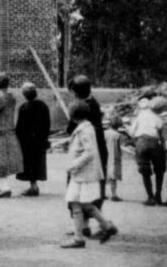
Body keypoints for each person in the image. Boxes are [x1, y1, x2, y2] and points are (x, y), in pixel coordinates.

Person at [60, 102, 118, 248]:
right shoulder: (87, 127)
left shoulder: (83, 130)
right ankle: (106, 226)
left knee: (76, 202)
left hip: (82, 174)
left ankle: (79, 238)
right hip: (83, 174)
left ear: (72, 116)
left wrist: (73, 165)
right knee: (83, 203)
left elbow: (89, 152)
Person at [67, 74, 108, 235]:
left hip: (88, 154)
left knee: (85, 191)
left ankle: (101, 226)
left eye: (73, 91)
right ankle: (83, 226)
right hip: (95, 151)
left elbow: (70, 129)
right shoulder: (91, 103)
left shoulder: (83, 107)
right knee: (82, 191)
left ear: (76, 92)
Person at [128, 97, 167, 206]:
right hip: (155, 143)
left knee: (145, 170)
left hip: (141, 142)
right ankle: (158, 195)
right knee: (160, 169)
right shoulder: (160, 119)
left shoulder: (141, 115)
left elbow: (131, 131)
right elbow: (164, 137)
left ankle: (150, 197)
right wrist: (163, 149)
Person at [14, 82, 50, 196]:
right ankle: (34, 186)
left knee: (29, 163)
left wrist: (17, 139)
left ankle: (33, 187)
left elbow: (20, 127)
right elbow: (47, 123)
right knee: (37, 162)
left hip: (27, 142)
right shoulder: (43, 105)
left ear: (24, 95)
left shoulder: (24, 107)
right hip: (40, 140)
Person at [102, 114, 123, 202]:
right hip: (114, 157)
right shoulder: (118, 135)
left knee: (104, 175)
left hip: (105, 156)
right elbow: (120, 147)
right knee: (113, 176)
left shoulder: (105, 133)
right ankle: (113, 194)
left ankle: (102, 193)